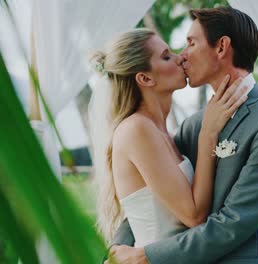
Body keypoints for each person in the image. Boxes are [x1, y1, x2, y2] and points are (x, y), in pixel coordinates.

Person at [109, 7, 258, 264]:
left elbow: (233, 223)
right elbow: (155, 192)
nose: (183, 56)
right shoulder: (195, 125)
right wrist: (118, 247)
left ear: (221, 47)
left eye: (191, 43)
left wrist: (145, 256)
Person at [88, 28, 248, 260]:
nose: (180, 57)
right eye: (166, 56)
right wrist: (208, 135)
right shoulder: (137, 129)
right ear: (145, 78)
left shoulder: (161, 131)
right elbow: (193, 216)